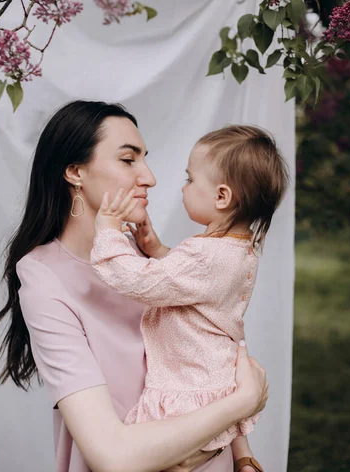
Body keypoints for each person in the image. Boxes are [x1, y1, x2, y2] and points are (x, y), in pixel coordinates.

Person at [0, 100, 268, 472]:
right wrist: (243, 401)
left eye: (145, 159)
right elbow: (114, 457)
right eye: (128, 160)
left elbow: (206, 349)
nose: (149, 177)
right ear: (75, 172)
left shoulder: (141, 262)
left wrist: (242, 454)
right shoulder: (44, 276)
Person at [90, 125, 288, 469]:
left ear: (222, 196)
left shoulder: (206, 256)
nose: (183, 187)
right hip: (212, 385)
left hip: (187, 396)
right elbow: (196, 288)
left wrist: (108, 232)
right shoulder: (239, 252)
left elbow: (140, 282)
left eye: (189, 179)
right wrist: (157, 249)